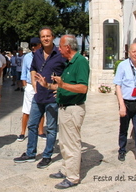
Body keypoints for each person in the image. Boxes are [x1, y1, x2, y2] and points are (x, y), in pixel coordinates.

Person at [38, 35, 89, 189]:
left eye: (60, 46)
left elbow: (83, 87)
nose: (58, 49)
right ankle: (67, 169)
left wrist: (63, 84)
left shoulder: (80, 62)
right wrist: (47, 85)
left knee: (72, 143)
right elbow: (62, 86)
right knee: (65, 143)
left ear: (68, 47)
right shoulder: (69, 63)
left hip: (73, 108)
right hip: (65, 108)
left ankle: (73, 177)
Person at [13, 27, 66, 169]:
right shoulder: (37, 54)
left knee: (51, 128)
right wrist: (34, 83)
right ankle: (30, 153)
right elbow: (33, 68)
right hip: (39, 95)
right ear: (40, 38)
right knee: (32, 124)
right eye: (43, 36)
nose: (45, 38)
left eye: (48, 36)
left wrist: (60, 87)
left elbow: (67, 73)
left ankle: (47, 155)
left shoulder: (60, 54)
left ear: (53, 37)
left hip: (53, 97)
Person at [17, 38, 45, 142]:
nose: (33, 47)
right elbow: (24, 72)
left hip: (41, 85)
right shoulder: (27, 57)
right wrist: (25, 86)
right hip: (29, 85)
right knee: (26, 110)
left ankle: (41, 131)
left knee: (41, 109)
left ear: (40, 45)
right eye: (31, 45)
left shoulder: (44, 56)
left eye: (35, 45)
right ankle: (22, 132)